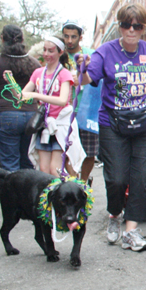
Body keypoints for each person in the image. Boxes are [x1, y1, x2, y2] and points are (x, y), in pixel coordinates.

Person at [78, 3, 146, 252]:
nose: (131, 30)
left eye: (137, 26)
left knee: (141, 177)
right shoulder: (105, 51)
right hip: (113, 123)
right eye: (126, 24)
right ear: (120, 26)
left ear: (143, 28)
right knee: (117, 178)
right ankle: (115, 214)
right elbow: (84, 79)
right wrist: (81, 65)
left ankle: (131, 230)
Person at [21, 36, 83, 176]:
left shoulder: (64, 73)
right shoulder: (38, 72)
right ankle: (49, 197)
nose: (46, 54)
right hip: (44, 125)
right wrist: (11, 83)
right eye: (44, 50)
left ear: (60, 52)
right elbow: (23, 94)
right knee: (43, 169)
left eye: (51, 51)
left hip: (60, 125)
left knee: (55, 169)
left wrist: (36, 96)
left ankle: (66, 194)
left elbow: (62, 100)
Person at [0, 25, 40, 173]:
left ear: (2, 39)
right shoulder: (34, 63)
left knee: (9, 163)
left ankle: (12, 195)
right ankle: (28, 195)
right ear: (22, 39)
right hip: (31, 114)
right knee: (28, 161)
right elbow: (40, 89)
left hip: (6, 113)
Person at [62, 20, 99, 183]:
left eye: (73, 37)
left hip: (88, 110)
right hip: (64, 110)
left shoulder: (91, 54)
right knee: (66, 148)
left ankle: (83, 182)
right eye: (66, 36)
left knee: (89, 150)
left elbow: (99, 78)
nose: (69, 40)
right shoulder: (59, 54)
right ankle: (73, 180)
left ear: (80, 37)